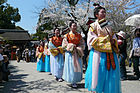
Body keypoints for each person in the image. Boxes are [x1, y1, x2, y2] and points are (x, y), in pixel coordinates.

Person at [85, 4, 121, 93]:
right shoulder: (93, 26)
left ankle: (107, 90)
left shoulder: (108, 26)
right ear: (96, 14)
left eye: (105, 12)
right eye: (102, 12)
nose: (104, 14)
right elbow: (91, 40)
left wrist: (113, 41)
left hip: (110, 52)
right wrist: (107, 40)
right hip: (98, 53)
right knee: (99, 72)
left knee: (111, 73)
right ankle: (97, 89)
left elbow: (114, 37)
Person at [62, 21, 85, 88]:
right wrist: (71, 46)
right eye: (73, 26)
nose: (75, 27)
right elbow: (64, 45)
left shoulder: (79, 35)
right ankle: (72, 80)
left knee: (77, 66)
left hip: (77, 53)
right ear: (70, 27)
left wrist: (79, 47)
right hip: (70, 53)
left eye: (76, 26)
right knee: (71, 67)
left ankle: (76, 80)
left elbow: (82, 44)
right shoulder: (66, 36)